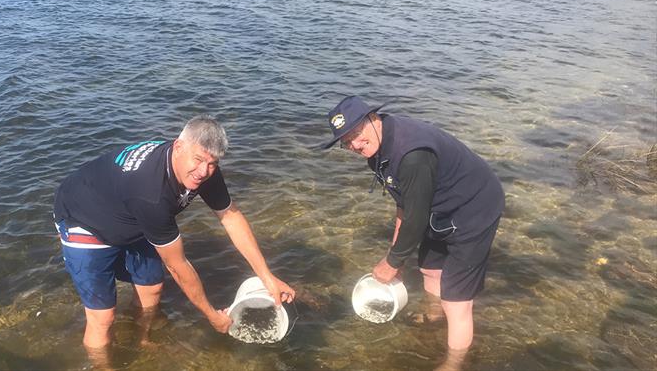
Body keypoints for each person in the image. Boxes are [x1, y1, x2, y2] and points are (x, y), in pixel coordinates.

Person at [53, 114, 295, 361]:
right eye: (198, 159)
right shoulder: (151, 194)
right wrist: (211, 315)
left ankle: (143, 339)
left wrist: (268, 277)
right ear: (178, 146)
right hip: (84, 220)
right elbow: (177, 266)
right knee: (102, 317)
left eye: (212, 163)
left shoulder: (205, 169)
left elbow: (231, 218)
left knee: (153, 288)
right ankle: (103, 367)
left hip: (130, 215)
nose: (203, 171)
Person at [322, 96, 504, 360]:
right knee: (430, 269)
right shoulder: (378, 149)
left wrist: (392, 263)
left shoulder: (412, 155)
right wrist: (396, 254)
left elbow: (416, 218)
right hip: (439, 207)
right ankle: (434, 317)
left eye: (357, 133)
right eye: (346, 141)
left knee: (456, 300)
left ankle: (454, 364)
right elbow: (404, 206)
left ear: (373, 118)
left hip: (475, 208)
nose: (355, 144)